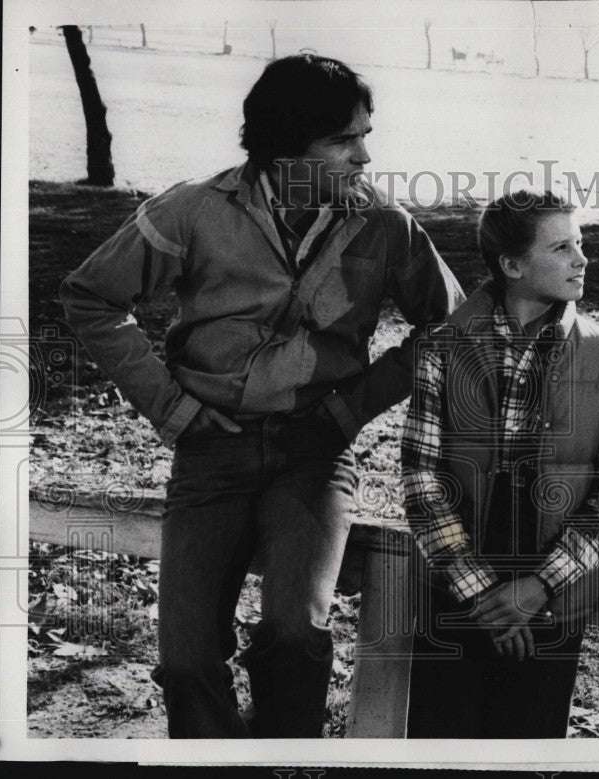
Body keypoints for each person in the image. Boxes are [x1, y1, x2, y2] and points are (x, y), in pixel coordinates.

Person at [60, 54, 465, 738]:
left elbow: (453, 328)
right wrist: (174, 409)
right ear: (285, 150)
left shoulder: (384, 226)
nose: (365, 157)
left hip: (315, 456)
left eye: (366, 134)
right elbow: (90, 297)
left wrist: (353, 405)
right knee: (187, 664)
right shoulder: (190, 211)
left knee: (294, 635)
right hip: (209, 456)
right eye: (344, 140)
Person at [400, 190, 599, 738]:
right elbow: (421, 480)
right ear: (511, 265)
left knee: (529, 748)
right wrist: (483, 593)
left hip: (554, 604)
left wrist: (537, 588)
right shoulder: (443, 348)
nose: (582, 259)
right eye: (561, 248)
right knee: (444, 751)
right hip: (454, 596)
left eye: (580, 243)